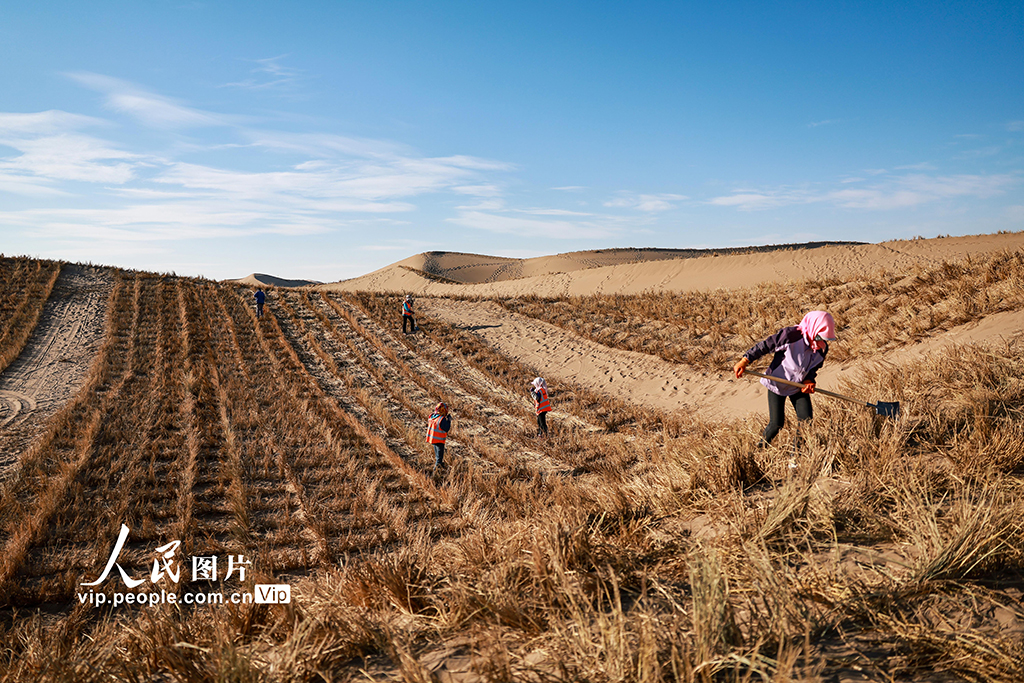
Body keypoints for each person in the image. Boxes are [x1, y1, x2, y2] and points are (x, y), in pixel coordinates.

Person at [733, 311, 837, 450]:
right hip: (777, 383)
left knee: (806, 422)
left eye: (824, 339)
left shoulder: (821, 348)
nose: (820, 342)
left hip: (797, 386)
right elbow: (765, 346)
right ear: (813, 328)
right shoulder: (791, 335)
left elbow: (814, 367)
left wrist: (809, 380)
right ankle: (759, 450)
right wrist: (745, 360)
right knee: (776, 424)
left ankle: (796, 457)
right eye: (818, 336)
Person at [426, 401, 452, 470]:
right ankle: (435, 473)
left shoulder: (431, 416)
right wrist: (449, 420)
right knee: (439, 458)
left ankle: (441, 467)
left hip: (432, 439)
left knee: (437, 455)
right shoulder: (441, 419)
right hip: (439, 440)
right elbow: (446, 428)